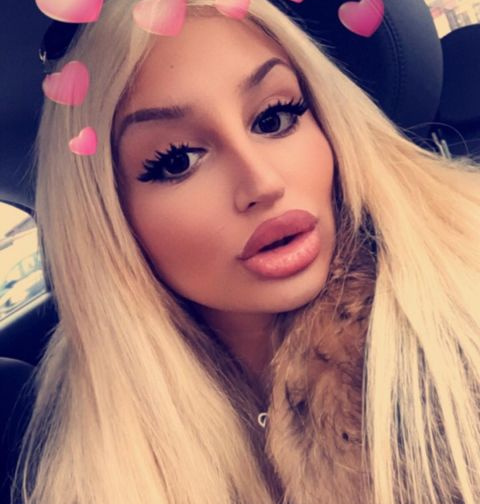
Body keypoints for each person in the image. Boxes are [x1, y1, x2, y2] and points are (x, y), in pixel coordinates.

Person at [4, 0, 480, 502]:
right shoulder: (103, 459)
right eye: (177, 160)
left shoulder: (460, 313)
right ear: (111, 223)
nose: (262, 182)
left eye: (275, 118)